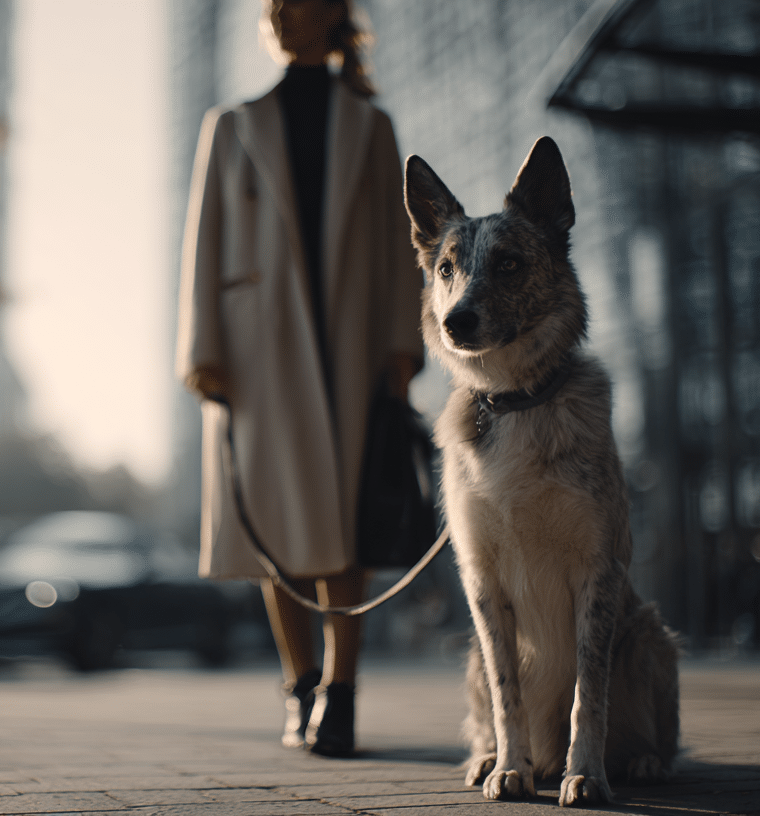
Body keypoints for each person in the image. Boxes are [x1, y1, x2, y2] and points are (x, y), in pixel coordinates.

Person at [175, 0, 423, 757]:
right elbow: (204, 242)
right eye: (276, 5)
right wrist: (202, 353)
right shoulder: (231, 123)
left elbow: (396, 244)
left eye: (301, 2)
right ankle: (300, 685)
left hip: (351, 343)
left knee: (345, 528)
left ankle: (341, 695)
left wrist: (401, 346)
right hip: (256, 351)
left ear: (332, 16)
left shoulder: (372, 126)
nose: (285, 14)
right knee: (274, 529)